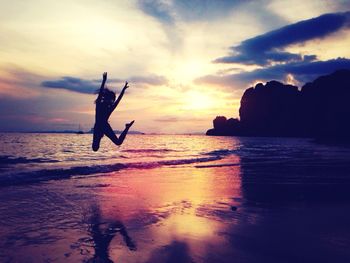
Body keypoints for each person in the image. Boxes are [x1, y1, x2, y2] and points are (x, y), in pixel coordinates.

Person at [92, 72, 134, 152]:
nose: (112, 101)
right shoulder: (99, 104)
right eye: (111, 100)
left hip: (104, 127)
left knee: (118, 142)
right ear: (106, 98)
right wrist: (104, 81)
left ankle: (127, 127)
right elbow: (100, 93)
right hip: (99, 127)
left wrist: (123, 90)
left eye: (112, 100)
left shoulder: (109, 108)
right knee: (95, 148)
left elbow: (118, 100)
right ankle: (98, 139)